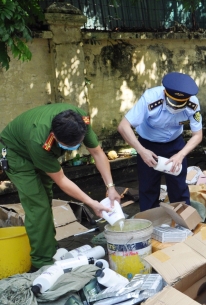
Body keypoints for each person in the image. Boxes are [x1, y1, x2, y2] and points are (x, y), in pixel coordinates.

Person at [0, 104, 120, 271]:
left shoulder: (79, 120)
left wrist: (111, 187)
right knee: (38, 205)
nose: (71, 149)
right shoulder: (39, 139)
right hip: (17, 154)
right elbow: (62, 180)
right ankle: (42, 262)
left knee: (46, 195)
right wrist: (91, 203)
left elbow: (98, 153)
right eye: (65, 145)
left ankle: (49, 247)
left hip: (35, 148)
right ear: (54, 136)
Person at [118, 72, 203, 211]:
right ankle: (151, 223)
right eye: (173, 103)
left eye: (180, 104)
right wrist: (141, 151)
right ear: (165, 93)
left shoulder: (193, 104)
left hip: (175, 144)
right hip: (147, 145)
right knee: (148, 187)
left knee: (179, 187)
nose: (175, 108)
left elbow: (197, 135)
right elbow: (123, 126)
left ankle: (184, 223)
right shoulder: (150, 98)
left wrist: (181, 155)